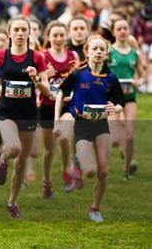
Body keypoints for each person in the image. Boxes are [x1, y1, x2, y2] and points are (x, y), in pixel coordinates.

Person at [0, 15, 50, 219]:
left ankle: (12, 202)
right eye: (16, 30)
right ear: (9, 33)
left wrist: (36, 79)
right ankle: (2, 159)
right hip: (6, 110)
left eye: (23, 30)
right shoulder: (1, 55)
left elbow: (46, 90)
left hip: (28, 112)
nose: (20, 34)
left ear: (29, 33)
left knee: (21, 163)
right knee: (13, 148)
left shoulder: (37, 58)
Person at [55, 34, 124, 222]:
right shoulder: (78, 73)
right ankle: (78, 161)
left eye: (102, 49)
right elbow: (61, 93)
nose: (98, 52)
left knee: (103, 171)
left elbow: (119, 104)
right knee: (91, 171)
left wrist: (113, 107)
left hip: (101, 125)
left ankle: (95, 209)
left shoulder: (110, 78)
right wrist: (56, 122)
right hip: (82, 126)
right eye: (95, 49)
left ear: (107, 54)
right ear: (87, 52)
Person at [38, 21, 79, 198]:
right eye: (55, 35)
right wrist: (44, 77)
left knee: (64, 138)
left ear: (66, 35)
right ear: (49, 36)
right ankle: (46, 181)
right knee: (49, 150)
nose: (58, 38)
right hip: (47, 106)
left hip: (67, 105)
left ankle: (65, 171)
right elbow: (37, 85)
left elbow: (80, 81)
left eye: (62, 35)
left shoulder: (73, 57)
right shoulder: (42, 57)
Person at [107, 18, 145, 180]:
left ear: (128, 31)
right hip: (113, 99)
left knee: (129, 136)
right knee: (115, 138)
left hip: (129, 98)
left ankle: (126, 170)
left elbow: (142, 75)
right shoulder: (109, 52)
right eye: (119, 28)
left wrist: (139, 81)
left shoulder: (133, 54)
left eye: (125, 28)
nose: (122, 31)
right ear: (114, 32)